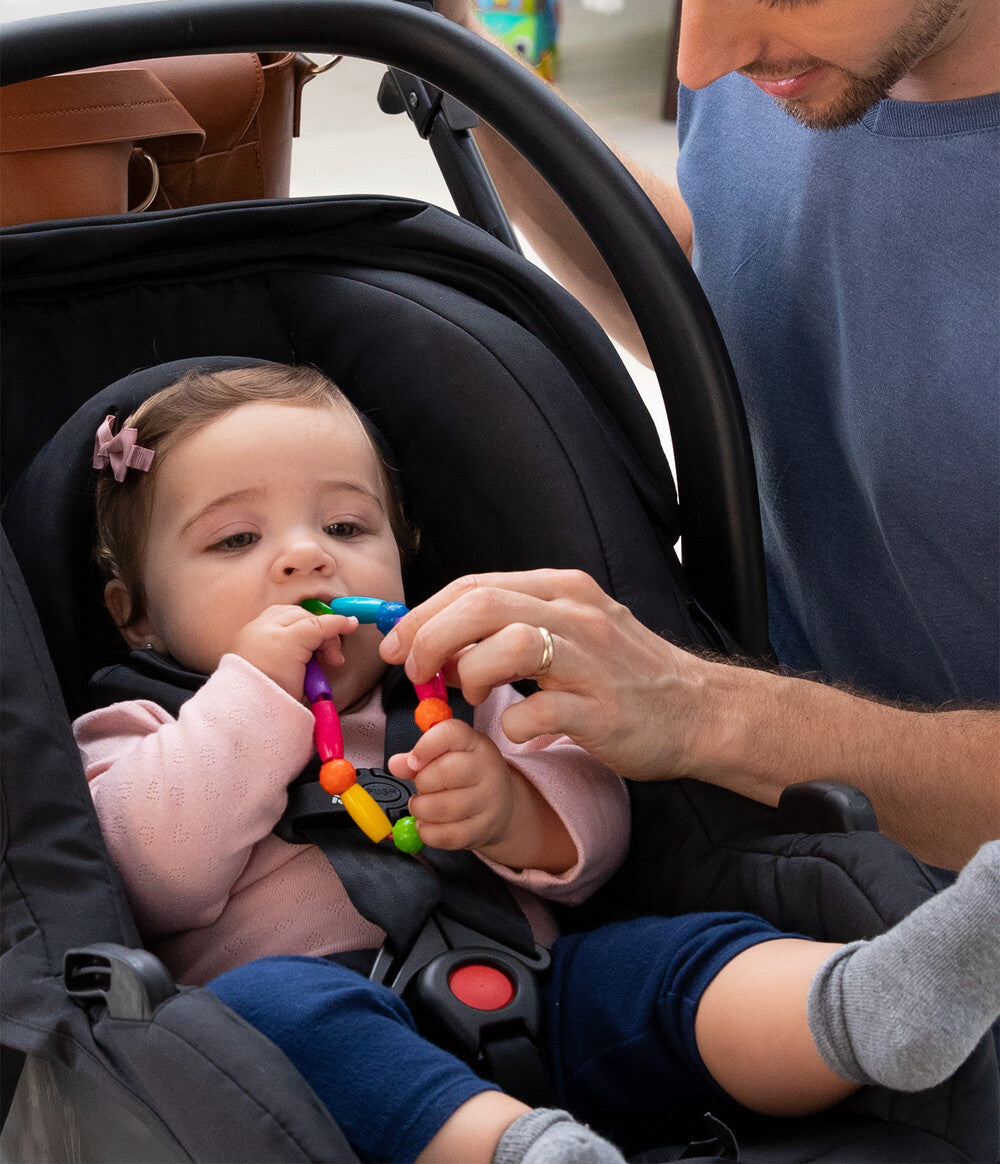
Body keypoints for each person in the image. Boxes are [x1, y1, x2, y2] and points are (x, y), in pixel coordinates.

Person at [301, 0, 1000, 873]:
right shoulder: (804, 48)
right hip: (793, 822)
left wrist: (698, 708)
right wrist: (458, 38)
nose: (708, 52)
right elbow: (733, 290)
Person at [73, 364, 999, 1164]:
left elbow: (597, 831)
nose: (305, 556)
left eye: (348, 527)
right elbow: (158, 872)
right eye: (238, 541)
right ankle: (516, 1150)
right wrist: (253, 697)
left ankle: (864, 1009)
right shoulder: (139, 727)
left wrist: (517, 809)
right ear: (137, 613)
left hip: (542, 988)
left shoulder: (455, 684)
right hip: (319, 1049)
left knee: (679, 958)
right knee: (267, 1009)